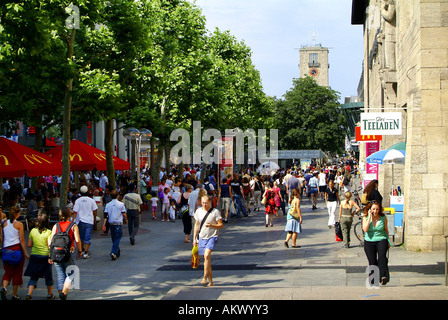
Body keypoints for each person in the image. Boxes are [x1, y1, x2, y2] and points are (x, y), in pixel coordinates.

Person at [48, 207, 82, 300]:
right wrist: (80, 250)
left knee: (60, 274)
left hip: (56, 252)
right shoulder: (73, 226)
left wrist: (50, 254)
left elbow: (50, 241)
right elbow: (77, 240)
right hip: (68, 252)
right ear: (69, 215)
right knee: (72, 274)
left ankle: (61, 294)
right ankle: (64, 292)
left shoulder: (56, 226)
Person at [193, 195, 223, 287]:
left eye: (206, 203)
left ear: (210, 202)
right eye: (202, 203)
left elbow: (221, 225)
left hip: (212, 236)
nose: (204, 205)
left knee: (206, 255)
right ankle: (211, 281)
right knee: (207, 259)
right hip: (202, 237)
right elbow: (197, 225)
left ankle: (204, 278)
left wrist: (211, 225)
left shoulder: (215, 212)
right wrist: (194, 238)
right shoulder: (198, 211)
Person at [0, 207, 30, 300]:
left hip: (6, 249)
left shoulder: (3, 223)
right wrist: (25, 253)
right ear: (17, 214)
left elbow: (1, 238)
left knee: (8, 271)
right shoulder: (19, 224)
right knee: (17, 272)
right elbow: (21, 240)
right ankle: (14, 294)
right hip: (16, 249)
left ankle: (4, 288)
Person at [24, 213, 54, 300]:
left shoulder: (33, 231)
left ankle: (29, 293)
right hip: (45, 256)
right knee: (48, 276)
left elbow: (29, 244)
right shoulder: (49, 232)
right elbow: (49, 245)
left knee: (34, 276)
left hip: (34, 255)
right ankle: (49, 294)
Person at [362, 201, 390, 285]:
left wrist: (388, 241)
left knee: (382, 258)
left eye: (377, 209)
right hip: (369, 241)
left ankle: (383, 276)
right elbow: (365, 229)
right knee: (372, 261)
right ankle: (373, 278)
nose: (375, 211)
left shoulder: (383, 217)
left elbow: (386, 229)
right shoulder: (365, 217)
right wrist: (369, 217)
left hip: (381, 239)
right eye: (373, 209)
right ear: (370, 209)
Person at [72, 185, 98, 259]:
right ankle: (86, 252)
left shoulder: (78, 200)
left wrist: (73, 221)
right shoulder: (91, 200)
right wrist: (95, 219)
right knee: (88, 237)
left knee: (81, 236)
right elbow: (94, 211)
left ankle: (82, 249)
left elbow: (75, 212)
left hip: (80, 221)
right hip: (89, 221)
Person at [103, 190, 127, 260]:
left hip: (111, 223)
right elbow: (124, 213)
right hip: (118, 223)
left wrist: (104, 224)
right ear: (118, 196)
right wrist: (126, 220)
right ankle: (113, 252)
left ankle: (117, 251)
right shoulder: (121, 204)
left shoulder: (108, 205)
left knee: (114, 238)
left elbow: (106, 215)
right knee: (117, 238)